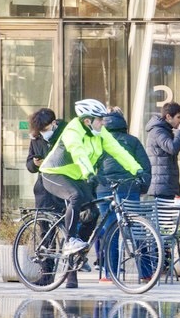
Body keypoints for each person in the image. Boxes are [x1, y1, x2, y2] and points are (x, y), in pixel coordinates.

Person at [40, 99, 143, 289]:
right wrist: (89, 173)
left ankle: (73, 264)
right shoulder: (73, 131)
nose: (103, 123)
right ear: (88, 121)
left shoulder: (100, 133)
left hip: (78, 176)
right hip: (54, 174)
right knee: (75, 197)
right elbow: (78, 153)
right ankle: (70, 240)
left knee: (93, 215)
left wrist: (137, 170)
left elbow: (118, 151)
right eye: (100, 120)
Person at [95, 107, 152, 281]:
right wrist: (141, 188)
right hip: (129, 189)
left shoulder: (99, 141)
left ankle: (110, 274)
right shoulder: (133, 141)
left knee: (110, 231)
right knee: (135, 228)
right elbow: (145, 167)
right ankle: (146, 272)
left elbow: (93, 166)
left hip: (105, 190)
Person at [145, 101, 180, 199]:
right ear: (169, 117)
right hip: (161, 187)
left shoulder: (164, 130)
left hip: (165, 185)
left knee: (167, 214)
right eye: (178, 117)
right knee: (162, 214)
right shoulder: (158, 131)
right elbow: (172, 148)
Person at [26, 108, 67, 210]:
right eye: (40, 130)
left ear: (53, 123)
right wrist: (35, 164)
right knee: (43, 219)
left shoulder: (66, 134)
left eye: (45, 129)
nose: (43, 133)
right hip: (43, 187)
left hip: (62, 182)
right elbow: (29, 164)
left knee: (65, 219)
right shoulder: (36, 138)